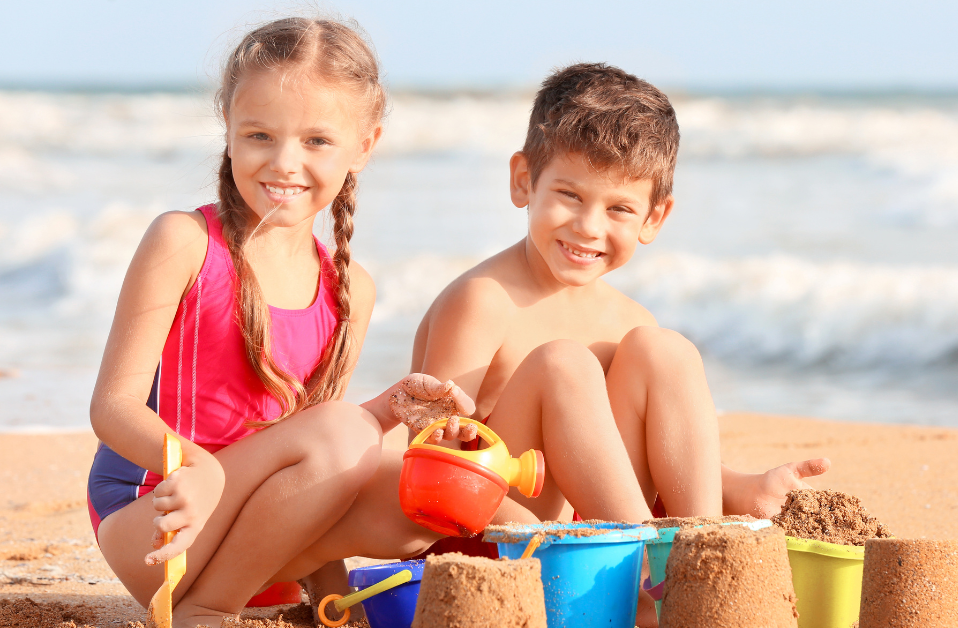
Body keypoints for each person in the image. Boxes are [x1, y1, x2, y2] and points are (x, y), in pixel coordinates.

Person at [86, 18, 495, 628]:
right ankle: (206, 609)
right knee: (345, 432)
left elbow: (310, 451)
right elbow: (112, 407)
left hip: (255, 548)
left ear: (365, 145)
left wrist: (387, 412)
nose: (284, 162)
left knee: (424, 493)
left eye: (316, 142)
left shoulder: (351, 289)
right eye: (260, 135)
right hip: (159, 519)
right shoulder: (185, 242)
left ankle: (250, 592)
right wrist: (193, 466)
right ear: (227, 127)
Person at [405, 63, 831, 537]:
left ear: (654, 217)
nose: (589, 226)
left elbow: (651, 453)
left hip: (605, 531)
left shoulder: (628, 321)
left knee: (665, 350)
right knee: (561, 364)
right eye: (569, 194)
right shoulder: (482, 302)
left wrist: (743, 487)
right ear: (524, 180)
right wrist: (555, 538)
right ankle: (647, 558)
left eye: (619, 209)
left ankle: (697, 552)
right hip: (500, 537)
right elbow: (434, 460)